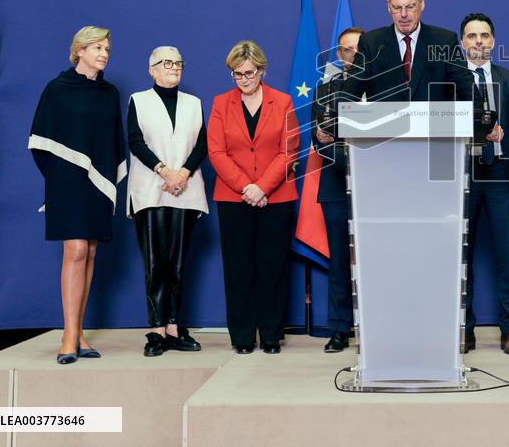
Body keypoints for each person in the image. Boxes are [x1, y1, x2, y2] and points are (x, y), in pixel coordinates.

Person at [29, 25, 125, 364]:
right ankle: (68, 337)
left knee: (92, 252)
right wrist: (58, 180)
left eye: (107, 49)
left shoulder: (110, 93)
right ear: (79, 51)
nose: (104, 54)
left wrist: (106, 180)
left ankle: (79, 332)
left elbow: (114, 143)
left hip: (97, 183)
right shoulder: (56, 90)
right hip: (66, 182)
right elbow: (39, 141)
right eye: (97, 47)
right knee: (76, 250)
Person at [208, 40, 299, 354]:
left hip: (276, 197)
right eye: (237, 74)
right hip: (234, 199)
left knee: (272, 266)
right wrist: (246, 187)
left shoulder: (283, 101)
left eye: (249, 73)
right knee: (238, 268)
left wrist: (263, 187)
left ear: (262, 70)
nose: (243, 79)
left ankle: (271, 335)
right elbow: (216, 151)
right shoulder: (221, 103)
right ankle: (243, 337)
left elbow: (289, 150)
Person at [126, 46, 209, 357]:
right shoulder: (138, 100)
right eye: (167, 63)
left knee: (177, 262)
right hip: (150, 188)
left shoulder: (194, 103)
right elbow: (135, 141)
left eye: (178, 63)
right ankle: (156, 329)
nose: (174, 67)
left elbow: (202, 142)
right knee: (155, 262)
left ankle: (174, 326)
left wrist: (183, 173)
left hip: (185, 189)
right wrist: (165, 171)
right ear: (152, 70)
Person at [459, 13, 509, 355]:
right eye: (472, 36)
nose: (478, 42)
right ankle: (464, 330)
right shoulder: (451, 80)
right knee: (461, 257)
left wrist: (505, 136)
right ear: (462, 42)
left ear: (494, 41)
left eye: (484, 35)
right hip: (463, 174)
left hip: (501, 174)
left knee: (507, 256)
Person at [312, 26, 364, 353]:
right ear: (339, 55)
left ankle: (379, 325)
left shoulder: (383, 87)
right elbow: (317, 140)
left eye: (358, 49)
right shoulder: (325, 89)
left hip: (379, 186)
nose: (351, 55)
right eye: (345, 50)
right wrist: (351, 158)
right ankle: (340, 329)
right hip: (335, 185)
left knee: (379, 259)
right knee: (340, 263)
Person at [343, 0, 473, 103]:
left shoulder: (445, 42)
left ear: (422, 3)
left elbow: (470, 94)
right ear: (388, 5)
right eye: (397, 7)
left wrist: (484, 122)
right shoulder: (371, 44)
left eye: (410, 7)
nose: (403, 14)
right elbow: (346, 98)